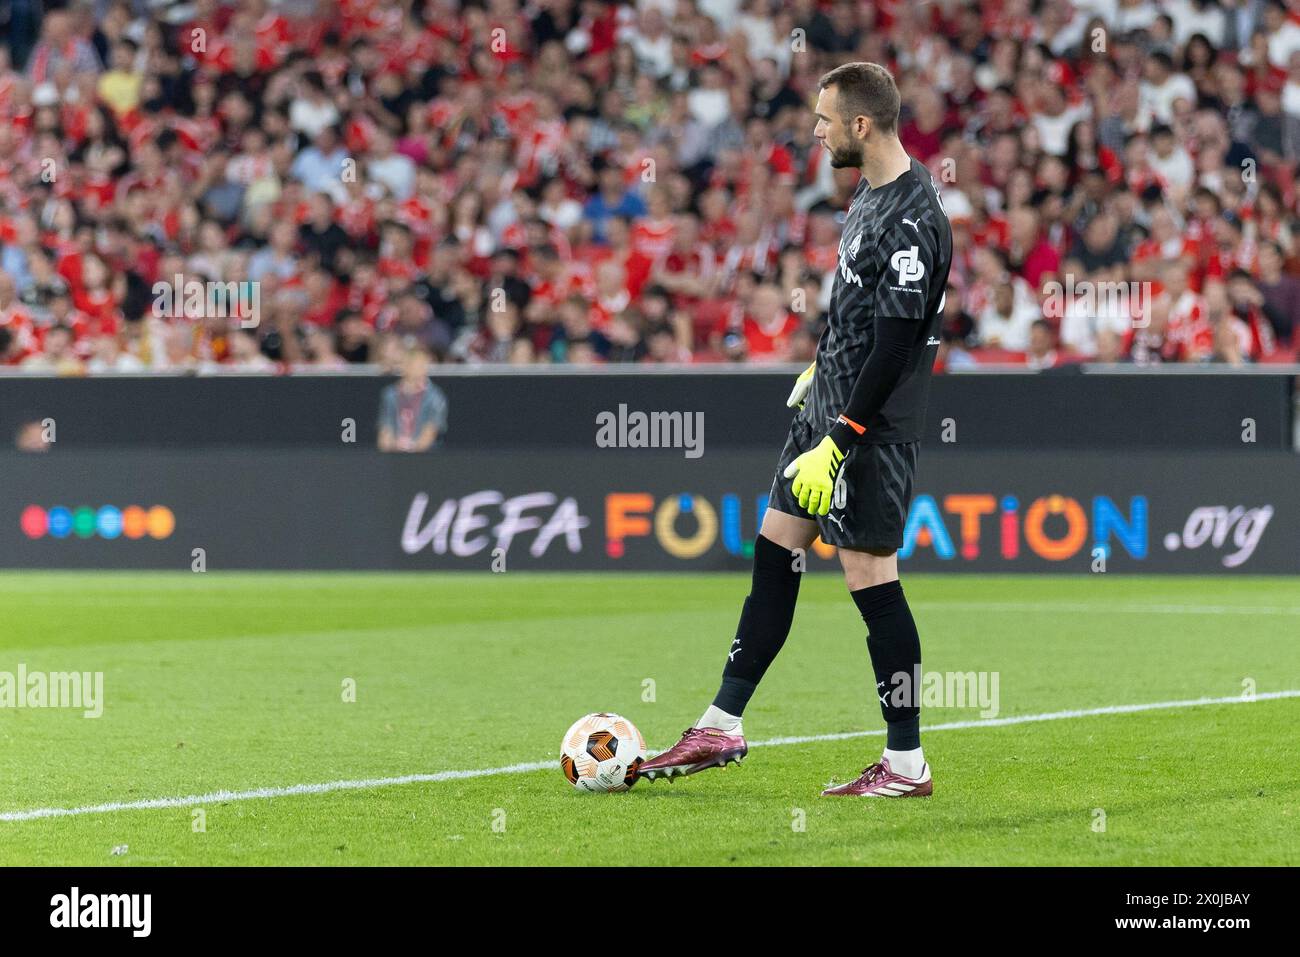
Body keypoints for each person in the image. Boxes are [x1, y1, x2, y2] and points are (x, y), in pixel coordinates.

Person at [637, 63, 952, 798]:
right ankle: (722, 722)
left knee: (871, 575)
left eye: (823, 119)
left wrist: (840, 436)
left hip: (864, 431)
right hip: (826, 415)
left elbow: (899, 343)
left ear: (861, 125)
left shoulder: (912, 215)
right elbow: (860, 318)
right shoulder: (867, 197)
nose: (815, 130)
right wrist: (820, 373)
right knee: (776, 546)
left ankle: (906, 762)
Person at [377, 346, 447, 453]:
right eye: (412, 365)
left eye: (421, 365)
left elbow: (430, 431)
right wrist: (395, 446)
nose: (417, 369)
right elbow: (385, 431)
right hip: (394, 457)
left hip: (426, 458)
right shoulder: (390, 394)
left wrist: (412, 447)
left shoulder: (434, 396)